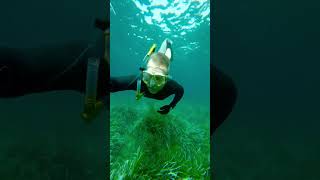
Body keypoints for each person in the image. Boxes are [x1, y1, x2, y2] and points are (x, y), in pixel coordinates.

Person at [109, 38, 184, 115]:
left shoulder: (171, 86)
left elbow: (181, 91)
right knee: (165, 58)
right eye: (148, 76)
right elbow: (112, 82)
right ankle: (166, 46)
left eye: (158, 78)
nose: (151, 84)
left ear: (166, 79)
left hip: (165, 64)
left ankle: (168, 43)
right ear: (143, 73)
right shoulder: (138, 81)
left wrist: (171, 106)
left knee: (168, 57)